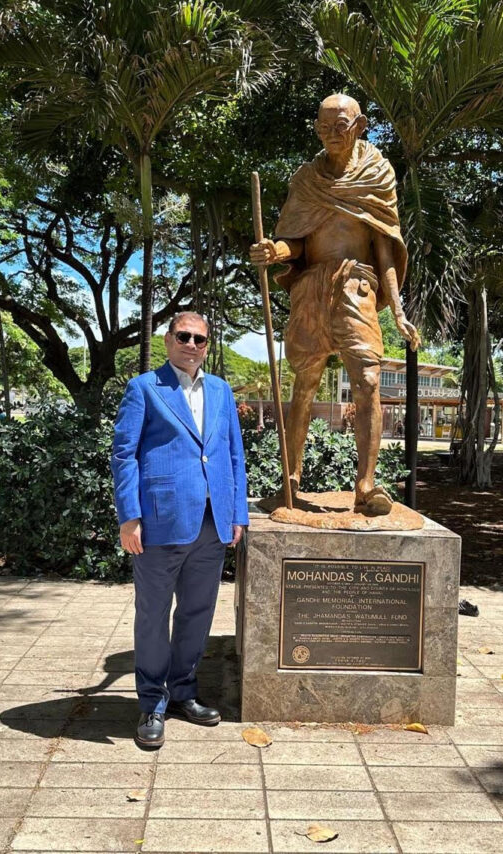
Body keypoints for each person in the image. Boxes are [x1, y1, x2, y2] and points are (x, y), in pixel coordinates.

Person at [250, 93, 420, 515]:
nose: (330, 136)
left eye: (339, 127)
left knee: (367, 381)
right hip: (311, 288)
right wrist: (275, 252)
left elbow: (386, 249)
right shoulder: (306, 179)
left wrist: (397, 309)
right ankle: (290, 479)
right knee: (303, 385)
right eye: (323, 128)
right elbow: (296, 241)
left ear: (360, 125)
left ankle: (365, 485)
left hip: (356, 285)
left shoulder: (378, 174)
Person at [111, 311, 249, 750]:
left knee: (197, 612)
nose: (192, 344)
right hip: (159, 522)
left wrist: (238, 513)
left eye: (200, 339)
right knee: (153, 616)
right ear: (168, 340)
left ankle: (184, 691)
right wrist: (128, 516)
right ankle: (152, 702)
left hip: (212, 522)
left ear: (207, 345)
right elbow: (124, 456)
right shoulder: (145, 389)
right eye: (184, 336)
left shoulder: (222, 391)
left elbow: (232, 455)